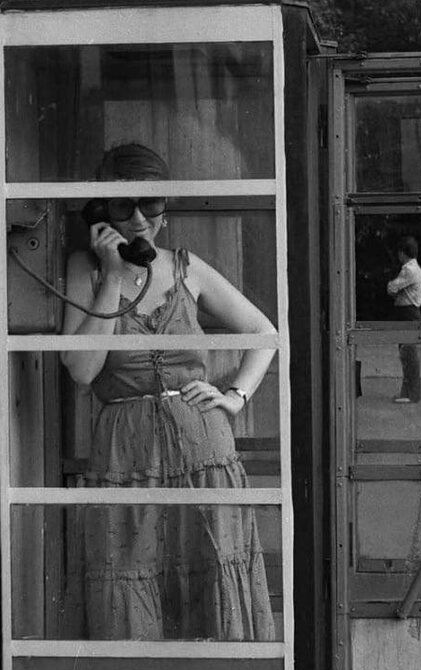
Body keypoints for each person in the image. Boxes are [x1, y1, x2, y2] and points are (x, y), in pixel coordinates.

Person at [60, 142, 277, 641]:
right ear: (102, 211)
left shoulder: (186, 268)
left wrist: (235, 397)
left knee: (211, 571)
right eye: (124, 206)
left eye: (150, 203)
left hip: (203, 451)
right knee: (129, 579)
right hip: (127, 456)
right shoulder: (85, 270)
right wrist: (112, 276)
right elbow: (82, 370)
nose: (139, 218)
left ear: (165, 209)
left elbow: (263, 333)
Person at [386, 235, 421, 403]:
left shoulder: (409, 269)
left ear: (403, 253)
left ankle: (411, 394)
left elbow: (392, 287)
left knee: (408, 354)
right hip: (408, 313)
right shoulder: (415, 268)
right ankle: (407, 393)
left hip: (408, 313)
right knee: (407, 354)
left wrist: (391, 287)